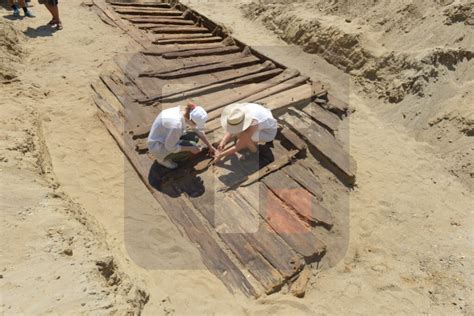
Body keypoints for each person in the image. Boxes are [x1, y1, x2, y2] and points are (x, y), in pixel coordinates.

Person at [148, 101, 216, 169]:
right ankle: (162, 159)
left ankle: (178, 147)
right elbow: (170, 147)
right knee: (192, 146)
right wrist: (190, 149)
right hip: (158, 147)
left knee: (195, 138)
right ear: (191, 120)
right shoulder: (176, 125)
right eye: (196, 124)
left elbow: (198, 130)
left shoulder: (184, 111)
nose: (196, 125)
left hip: (165, 137)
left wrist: (209, 146)